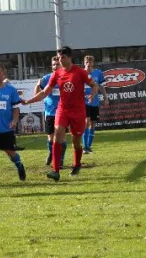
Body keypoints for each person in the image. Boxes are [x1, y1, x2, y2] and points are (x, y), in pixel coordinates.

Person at [22, 46, 98, 180]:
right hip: (62, 110)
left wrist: (92, 96)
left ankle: (77, 164)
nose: (61, 60)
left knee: (76, 142)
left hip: (78, 111)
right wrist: (29, 101)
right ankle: (55, 171)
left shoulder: (80, 72)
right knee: (57, 136)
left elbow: (94, 85)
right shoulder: (56, 74)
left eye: (63, 57)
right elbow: (45, 92)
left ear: (70, 57)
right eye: (58, 58)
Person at [34, 55, 67, 167]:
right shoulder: (47, 78)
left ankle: (60, 160)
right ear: (51, 66)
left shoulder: (66, 76)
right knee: (51, 138)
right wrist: (38, 84)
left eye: (57, 64)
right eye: (53, 64)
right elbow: (37, 94)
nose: (55, 66)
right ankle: (51, 153)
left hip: (63, 112)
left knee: (61, 138)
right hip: (50, 113)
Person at [83, 55, 109, 154]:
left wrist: (106, 98)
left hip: (95, 102)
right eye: (86, 62)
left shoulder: (98, 73)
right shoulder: (81, 73)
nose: (88, 63)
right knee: (86, 122)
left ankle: (89, 147)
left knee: (92, 124)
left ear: (93, 63)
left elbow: (102, 87)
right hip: (84, 102)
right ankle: (84, 147)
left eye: (90, 61)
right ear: (84, 63)